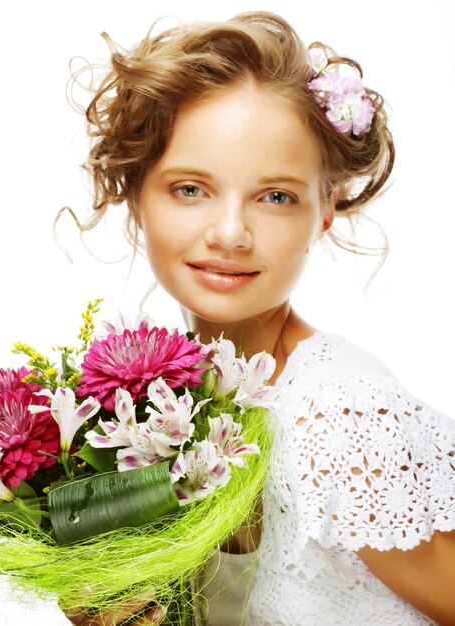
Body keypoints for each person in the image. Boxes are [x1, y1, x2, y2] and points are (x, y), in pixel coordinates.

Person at [62, 11, 455, 626]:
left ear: (325, 210)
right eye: (191, 188)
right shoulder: (150, 415)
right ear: (137, 196)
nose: (230, 234)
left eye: (276, 197)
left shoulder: (337, 416)